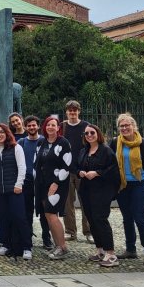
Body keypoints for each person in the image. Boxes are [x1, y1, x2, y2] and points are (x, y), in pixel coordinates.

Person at [109, 113, 144, 265]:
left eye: (127, 125)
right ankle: (131, 249)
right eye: (121, 126)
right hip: (122, 185)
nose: (124, 128)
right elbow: (109, 161)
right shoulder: (115, 142)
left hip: (138, 184)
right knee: (127, 218)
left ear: (134, 126)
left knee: (139, 218)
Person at [78, 123, 120, 267]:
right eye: (87, 133)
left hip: (102, 190)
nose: (89, 135)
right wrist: (81, 172)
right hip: (86, 190)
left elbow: (114, 170)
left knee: (100, 219)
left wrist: (97, 173)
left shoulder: (106, 151)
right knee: (91, 219)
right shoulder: (84, 150)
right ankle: (100, 249)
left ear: (98, 134)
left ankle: (111, 253)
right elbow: (79, 166)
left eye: (92, 133)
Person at [0, 123, 31, 260]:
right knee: (3, 217)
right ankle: (6, 244)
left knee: (19, 217)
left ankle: (26, 247)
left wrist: (19, 184)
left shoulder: (16, 147)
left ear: (7, 133)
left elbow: (22, 167)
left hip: (14, 189)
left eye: (2, 132)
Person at [35, 116, 72, 260]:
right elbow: (37, 163)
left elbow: (66, 165)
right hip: (42, 184)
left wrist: (56, 183)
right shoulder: (41, 142)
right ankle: (58, 245)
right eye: (48, 125)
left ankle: (62, 247)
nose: (50, 127)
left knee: (51, 213)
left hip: (57, 184)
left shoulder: (63, 143)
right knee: (48, 215)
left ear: (58, 128)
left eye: (53, 125)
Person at [18, 116, 51, 249]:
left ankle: (46, 238)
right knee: (27, 211)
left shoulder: (45, 141)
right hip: (26, 181)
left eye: (34, 125)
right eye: (29, 125)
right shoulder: (21, 142)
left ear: (38, 126)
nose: (31, 127)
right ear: (25, 127)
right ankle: (27, 238)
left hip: (42, 182)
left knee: (44, 212)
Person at [62, 100, 92, 243]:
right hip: (66, 170)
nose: (72, 112)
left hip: (83, 170)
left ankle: (89, 231)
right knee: (67, 203)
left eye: (75, 110)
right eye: (70, 110)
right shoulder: (62, 127)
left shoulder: (86, 126)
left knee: (86, 201)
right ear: (66, 112)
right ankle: (70, 231)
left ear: (79, 111)